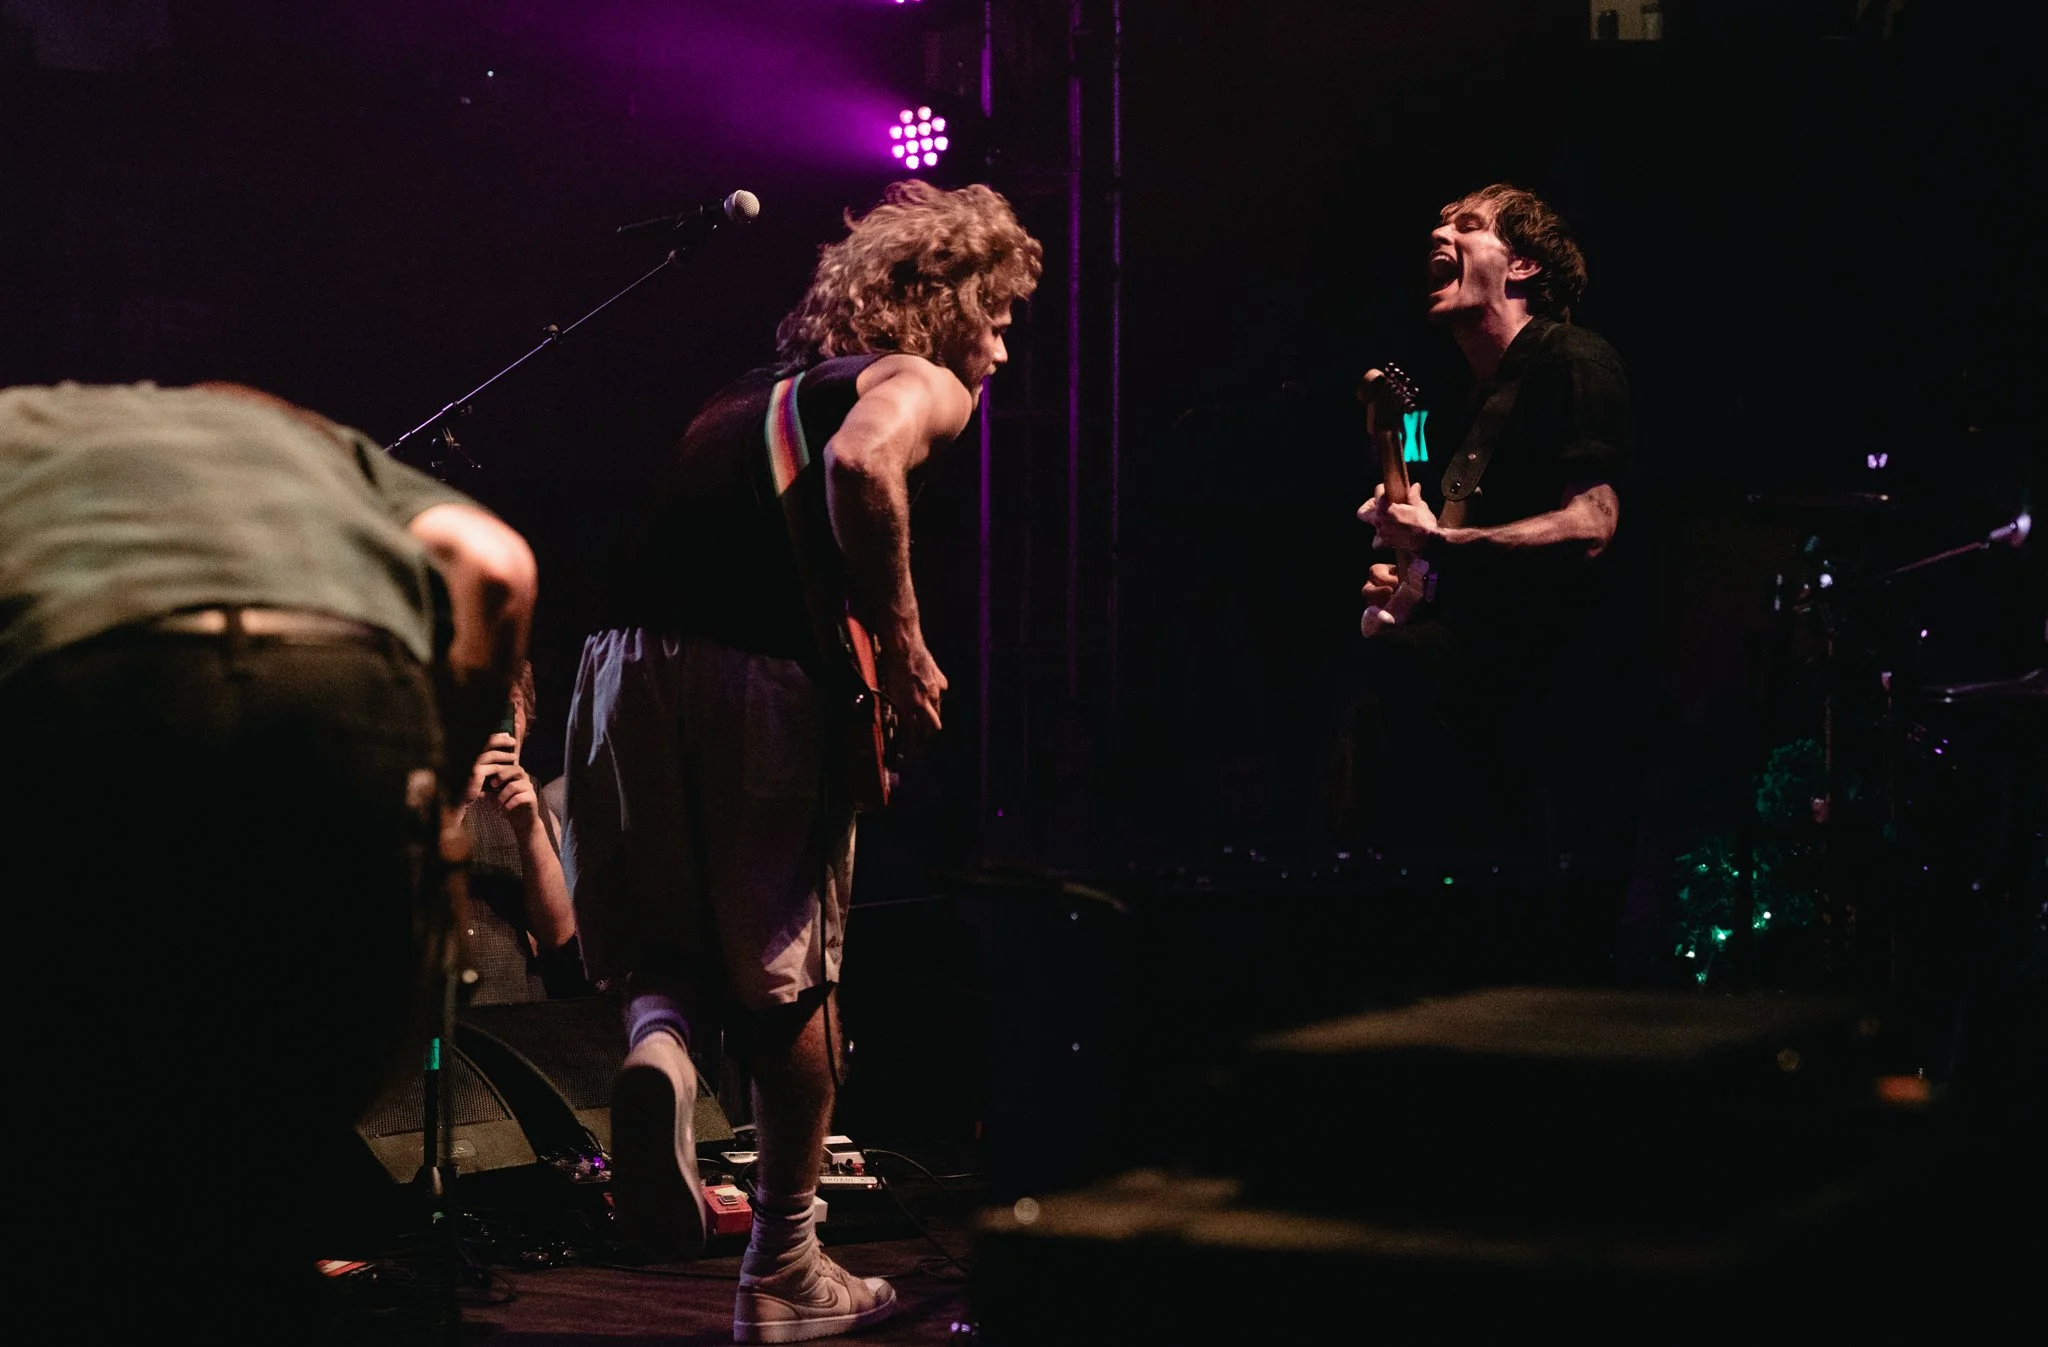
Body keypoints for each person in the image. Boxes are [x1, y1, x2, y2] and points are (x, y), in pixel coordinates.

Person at [561, 179, 1041, 1343]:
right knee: (790, 974)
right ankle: (782, 1266)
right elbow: (862, 468)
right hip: (755, 677)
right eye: (999, 317)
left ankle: (660, 1055)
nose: (1002, 347)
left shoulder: (746, 392)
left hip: (619, 662)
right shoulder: (916, 380)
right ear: (951, 304)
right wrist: (908, 645)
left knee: (668, 945)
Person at [0, 380, 537, 1341]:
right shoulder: (316, 448)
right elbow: (495, 569)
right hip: (341, 688)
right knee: (274, 1091)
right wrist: (439, 811)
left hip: (102, 677)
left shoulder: (18, 427)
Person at [1341, 183, 1648, 988]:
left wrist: (1443, 544)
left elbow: (1593, 523)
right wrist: (1408, 579)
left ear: (1524, 265)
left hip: (1549, 724)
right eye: (1440, 223)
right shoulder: (1478, 400)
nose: (1439, 233)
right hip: (1484, 728)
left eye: (1468, 227)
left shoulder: (1574, 360)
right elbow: (1460, 565)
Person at [455, 658, 592, 1003]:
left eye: (511, 706)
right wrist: (457, 802)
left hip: (514, 1007)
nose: (501, 722)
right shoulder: (426, 785)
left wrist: (530, 829)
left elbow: (558, 933)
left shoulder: (529, 790)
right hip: (440, 1010)